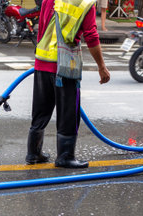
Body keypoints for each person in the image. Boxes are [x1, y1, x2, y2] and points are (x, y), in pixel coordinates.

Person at [26, 0, 110, 169]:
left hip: (42, 61)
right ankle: (65, 156)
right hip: (65, 65)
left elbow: (42, 27)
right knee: (68, 113)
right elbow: (91, 35)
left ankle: (33, 153)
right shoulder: (85, 4)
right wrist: (102, 67)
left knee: (41, 111)